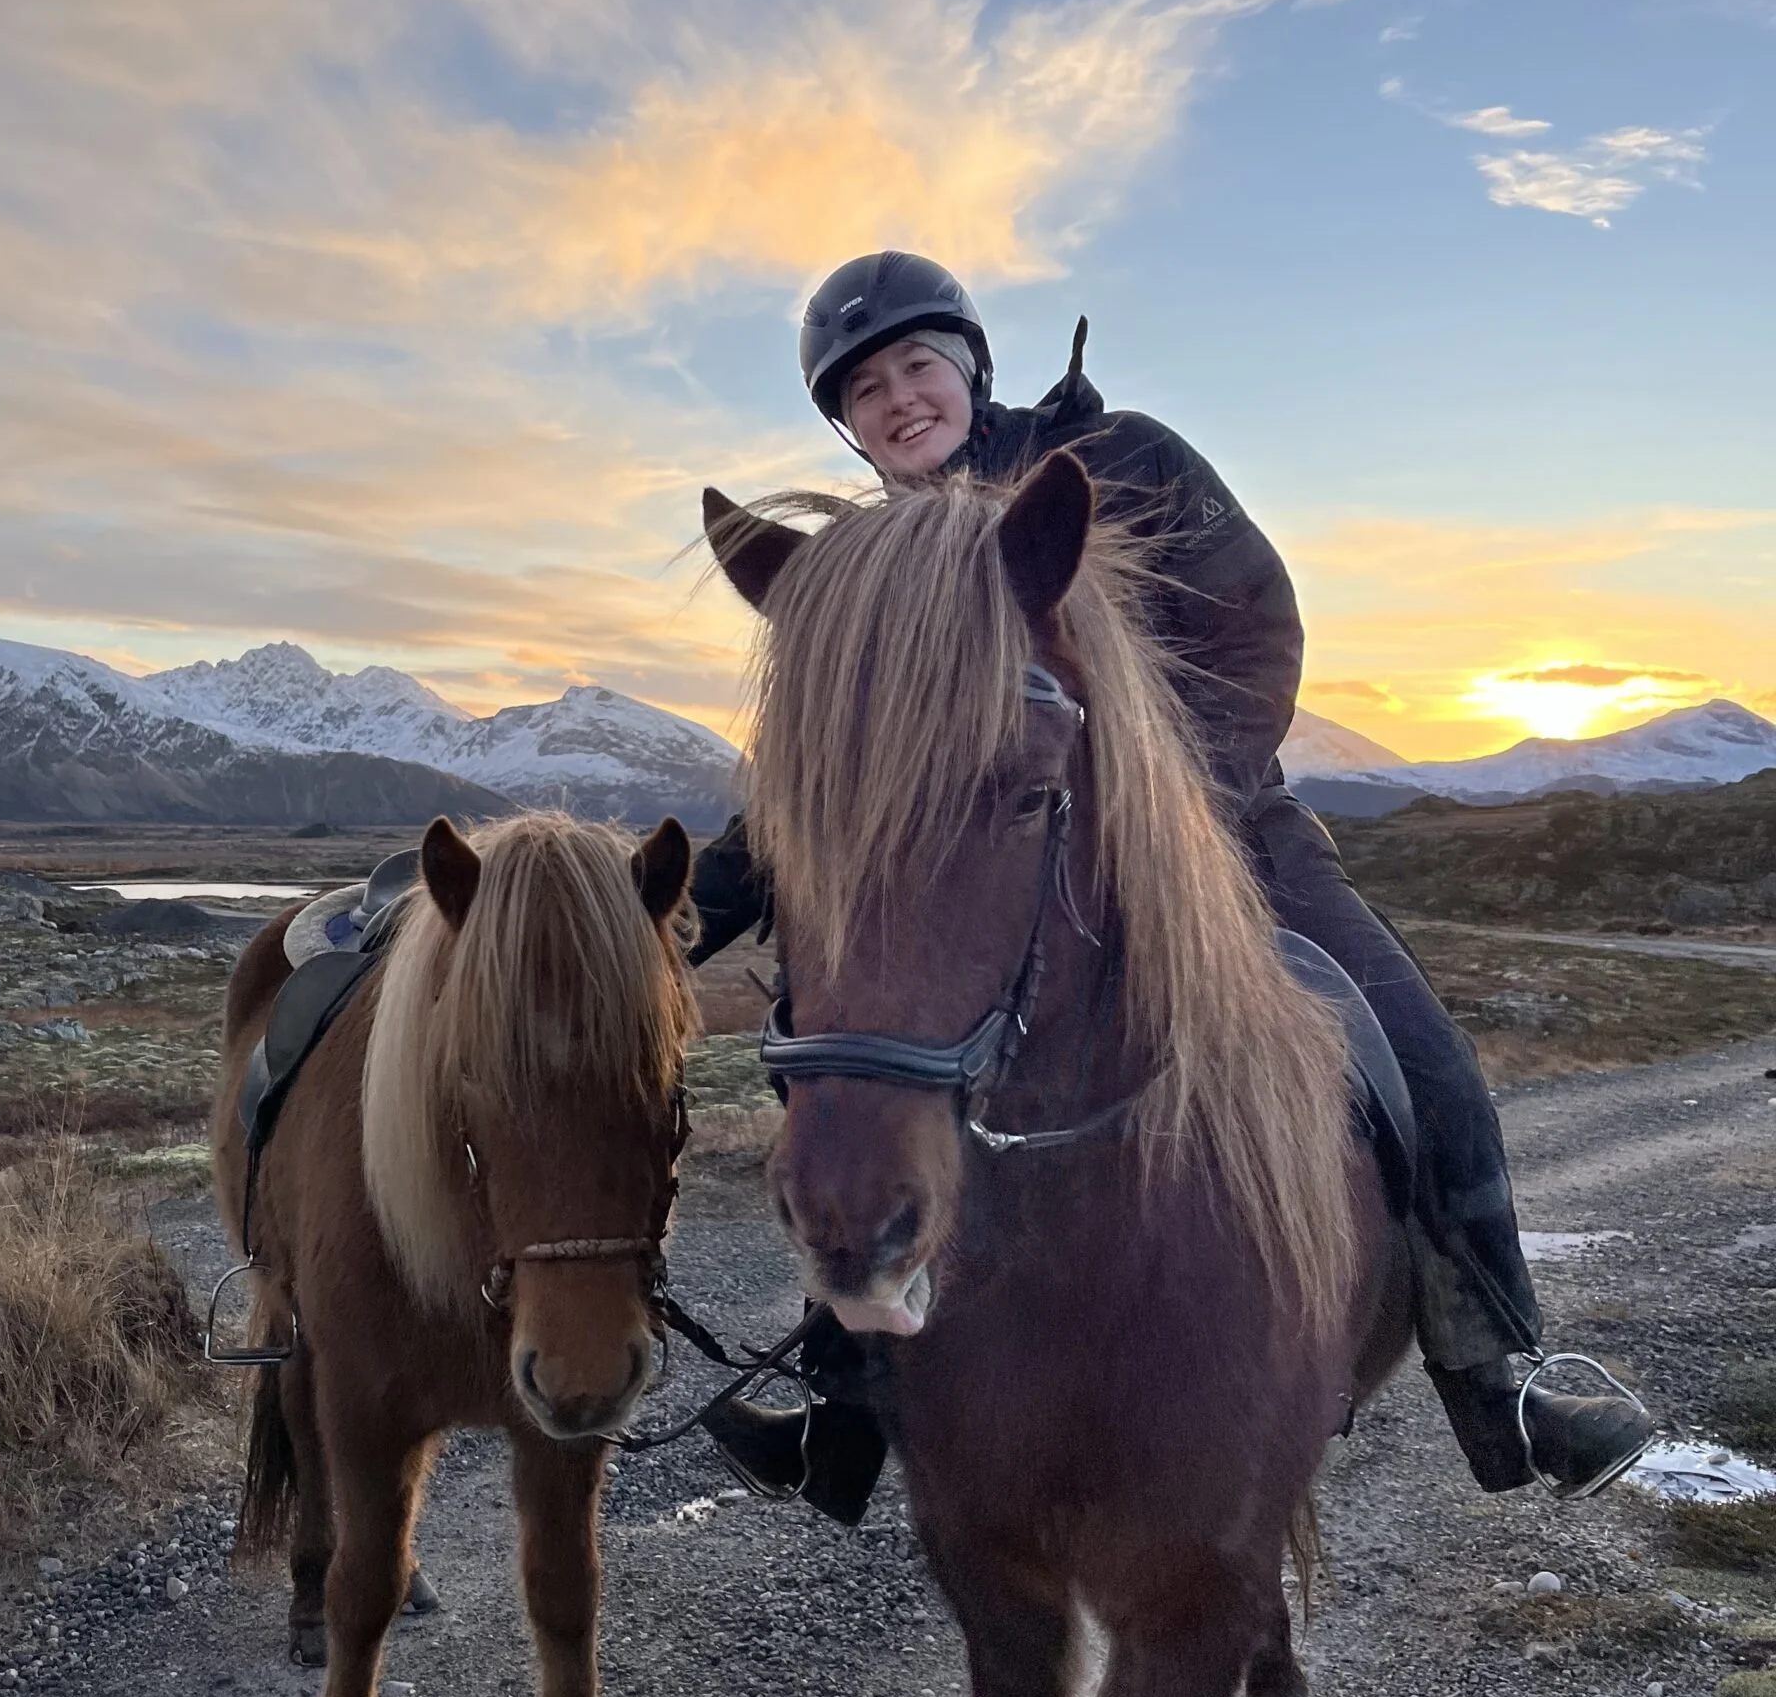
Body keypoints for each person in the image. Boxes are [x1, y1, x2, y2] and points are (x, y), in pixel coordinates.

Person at [693, 249, 1653, 1519]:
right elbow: (827, 776)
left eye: (917, 364)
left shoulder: (1125, 463)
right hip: (980, 876)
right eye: (861, 389)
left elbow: (1259, 627)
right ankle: (843, 1404)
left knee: (1422, 1056)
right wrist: (685, 909)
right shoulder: (865, 570)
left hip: (1220, 836)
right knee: (859, 1072)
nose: (898, 399)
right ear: (846, 426)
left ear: (970, 364)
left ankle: (1500, 1373)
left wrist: (1162, 808)